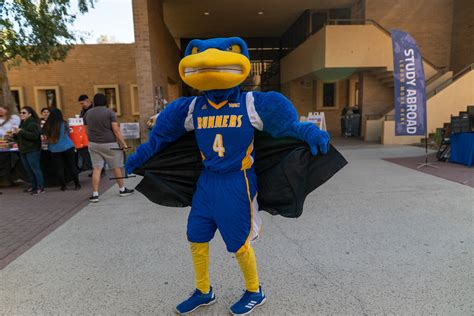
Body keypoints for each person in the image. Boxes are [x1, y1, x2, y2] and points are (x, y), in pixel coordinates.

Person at [125, 37, 330, 315]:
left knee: (238, 242)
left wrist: (308, 131)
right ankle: (203, 290)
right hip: (207, 181)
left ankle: (255, 290)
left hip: (238, 181)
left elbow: (286, 126)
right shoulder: (193, 107)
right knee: (196, 236)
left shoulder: (250, 103)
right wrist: (141, 155)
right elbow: (163, 136)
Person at [83, 93, 133, 202]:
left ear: (94, 102)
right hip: (110, 144)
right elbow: (116, 130)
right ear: (105, 101)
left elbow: (86, 130)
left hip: (93, 144)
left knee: (96, 168)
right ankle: (122, 189)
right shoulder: (109, 112)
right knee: (116, 167)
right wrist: (124, 144)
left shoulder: (88, 113)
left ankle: (95, 194)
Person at [42, 108, 81, 191]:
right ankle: (77, 184)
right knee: (72, 166)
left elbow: (45, 137)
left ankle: (63, 186)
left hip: (54, 149)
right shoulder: (64, 123)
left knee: (59, 168)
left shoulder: (47, 125)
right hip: (67, 146)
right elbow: (68, 133)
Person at [13, 106, 44, 194]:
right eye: (20, 112)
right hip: (23, 150)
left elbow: (34, 136)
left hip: (32, 149)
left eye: (24, 113)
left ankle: (40, 187)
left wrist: (21, 131)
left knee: (35, 168)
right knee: (28, 169)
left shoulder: (32, 123)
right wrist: (15, 135)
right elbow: (20, 137)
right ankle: (33, 186)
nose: (21, 114)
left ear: (29, 114)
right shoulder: (22, 123)